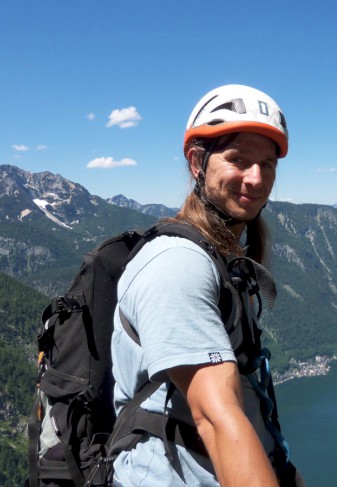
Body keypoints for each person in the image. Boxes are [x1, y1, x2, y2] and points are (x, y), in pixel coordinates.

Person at [110, 84, 303, 486]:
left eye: (267, 164)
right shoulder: (176, 265)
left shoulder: (225, 259)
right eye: (239, 160)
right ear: (198, 163)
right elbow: (216, 418)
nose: (256, 178)